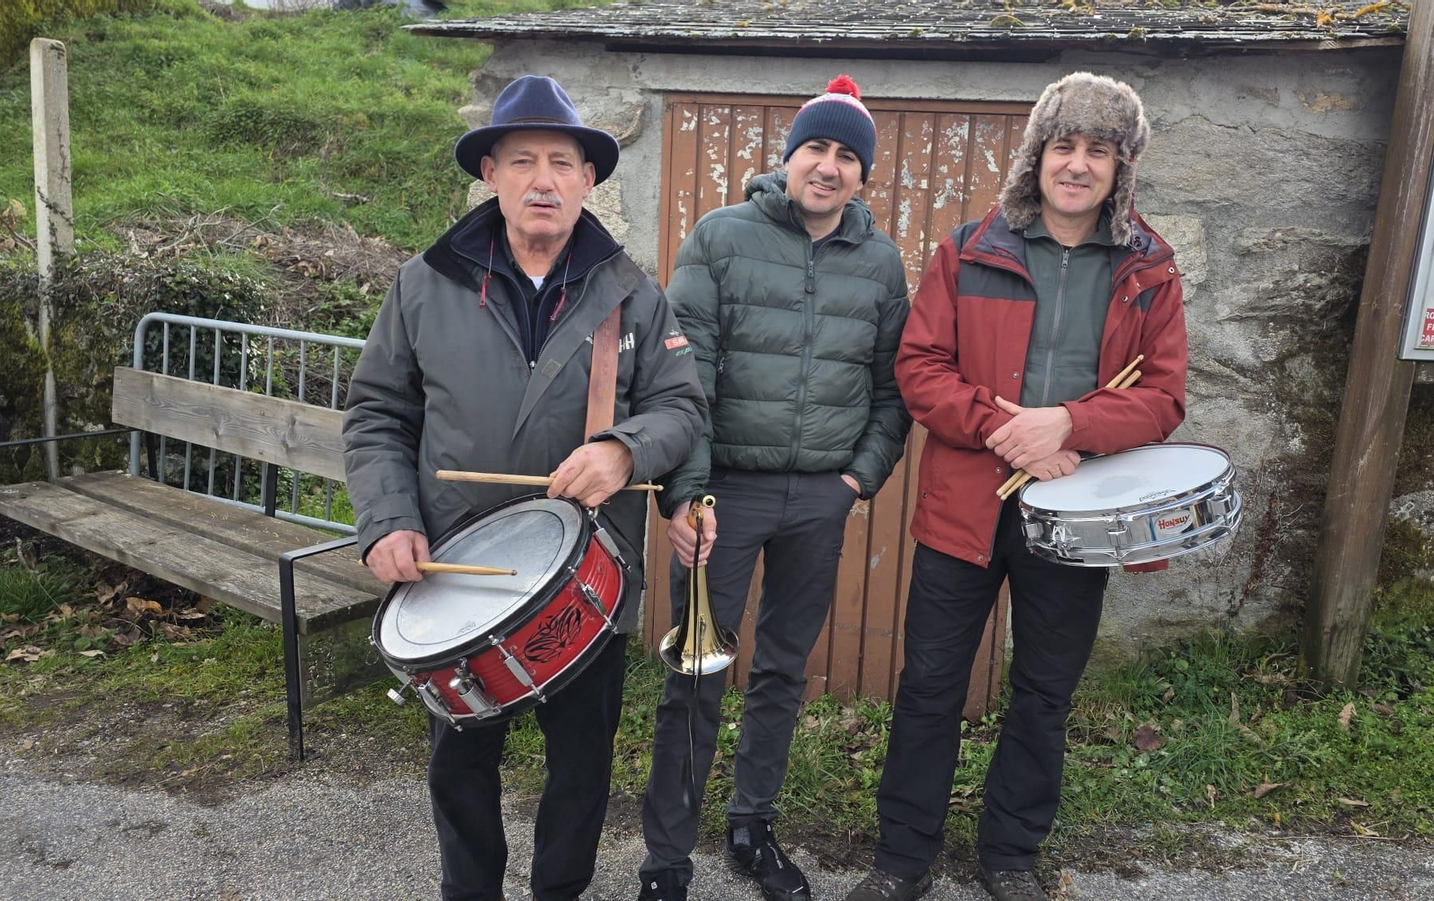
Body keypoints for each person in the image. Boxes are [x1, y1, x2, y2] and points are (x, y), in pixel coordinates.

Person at [342, 74, 707, 901]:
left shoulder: (633, 294)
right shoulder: (423, 284)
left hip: (589, 577)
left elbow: (682, 406)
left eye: (562, 162)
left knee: (581, 770)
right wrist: (389, 519)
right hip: (455, 583)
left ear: (587, 180)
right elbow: (375, 413)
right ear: (491, 175)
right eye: (522, 160)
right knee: (460, 769)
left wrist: (625, 449)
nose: (543, 179)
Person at [842, 72, 1188, 901]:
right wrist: (1011, 433)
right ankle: (902, 857)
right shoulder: (970, 249)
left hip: (1077, 515)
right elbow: (919, 368)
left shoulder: (1150, 268)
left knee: (1043, 692)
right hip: (963, 508)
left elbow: (1164, 394)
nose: (1078, 165)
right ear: (1037, 155)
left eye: (1098, 151)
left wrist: (1067, 424)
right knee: (929, 685)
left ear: (1121, 166)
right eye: (1063, 146)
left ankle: (1009, 853)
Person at [638, 75, 913, 901]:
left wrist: (857, 480)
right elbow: (683, 372)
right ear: (788, 157)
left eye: (845, 155)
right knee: (696, 672)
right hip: (724, 494)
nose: (827, 166)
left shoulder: (881, 262)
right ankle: (666, 860)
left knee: (784, 670)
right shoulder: (721, 238)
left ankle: (752, 823)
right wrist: (684, 491)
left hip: (818, 503)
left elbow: (893, 388)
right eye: (815, 148)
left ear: (863, 174)